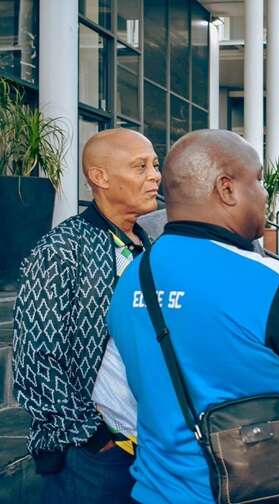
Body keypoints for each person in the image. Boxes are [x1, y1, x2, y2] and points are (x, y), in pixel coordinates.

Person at [107, 129, 279, 503]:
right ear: (227, 189)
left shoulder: (133, 277)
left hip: (164, 489)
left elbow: (114, 397)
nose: (265, 194)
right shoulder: (262, 280)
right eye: (259, 181)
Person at [12, 129, 161, 503]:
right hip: (93, 457)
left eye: (155, 165)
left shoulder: (155, 248)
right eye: (140, 166)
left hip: (157, 448)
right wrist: (92, 437)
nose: (155, 176)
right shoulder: (61, 250)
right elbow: (35, 360)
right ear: (100, 177)